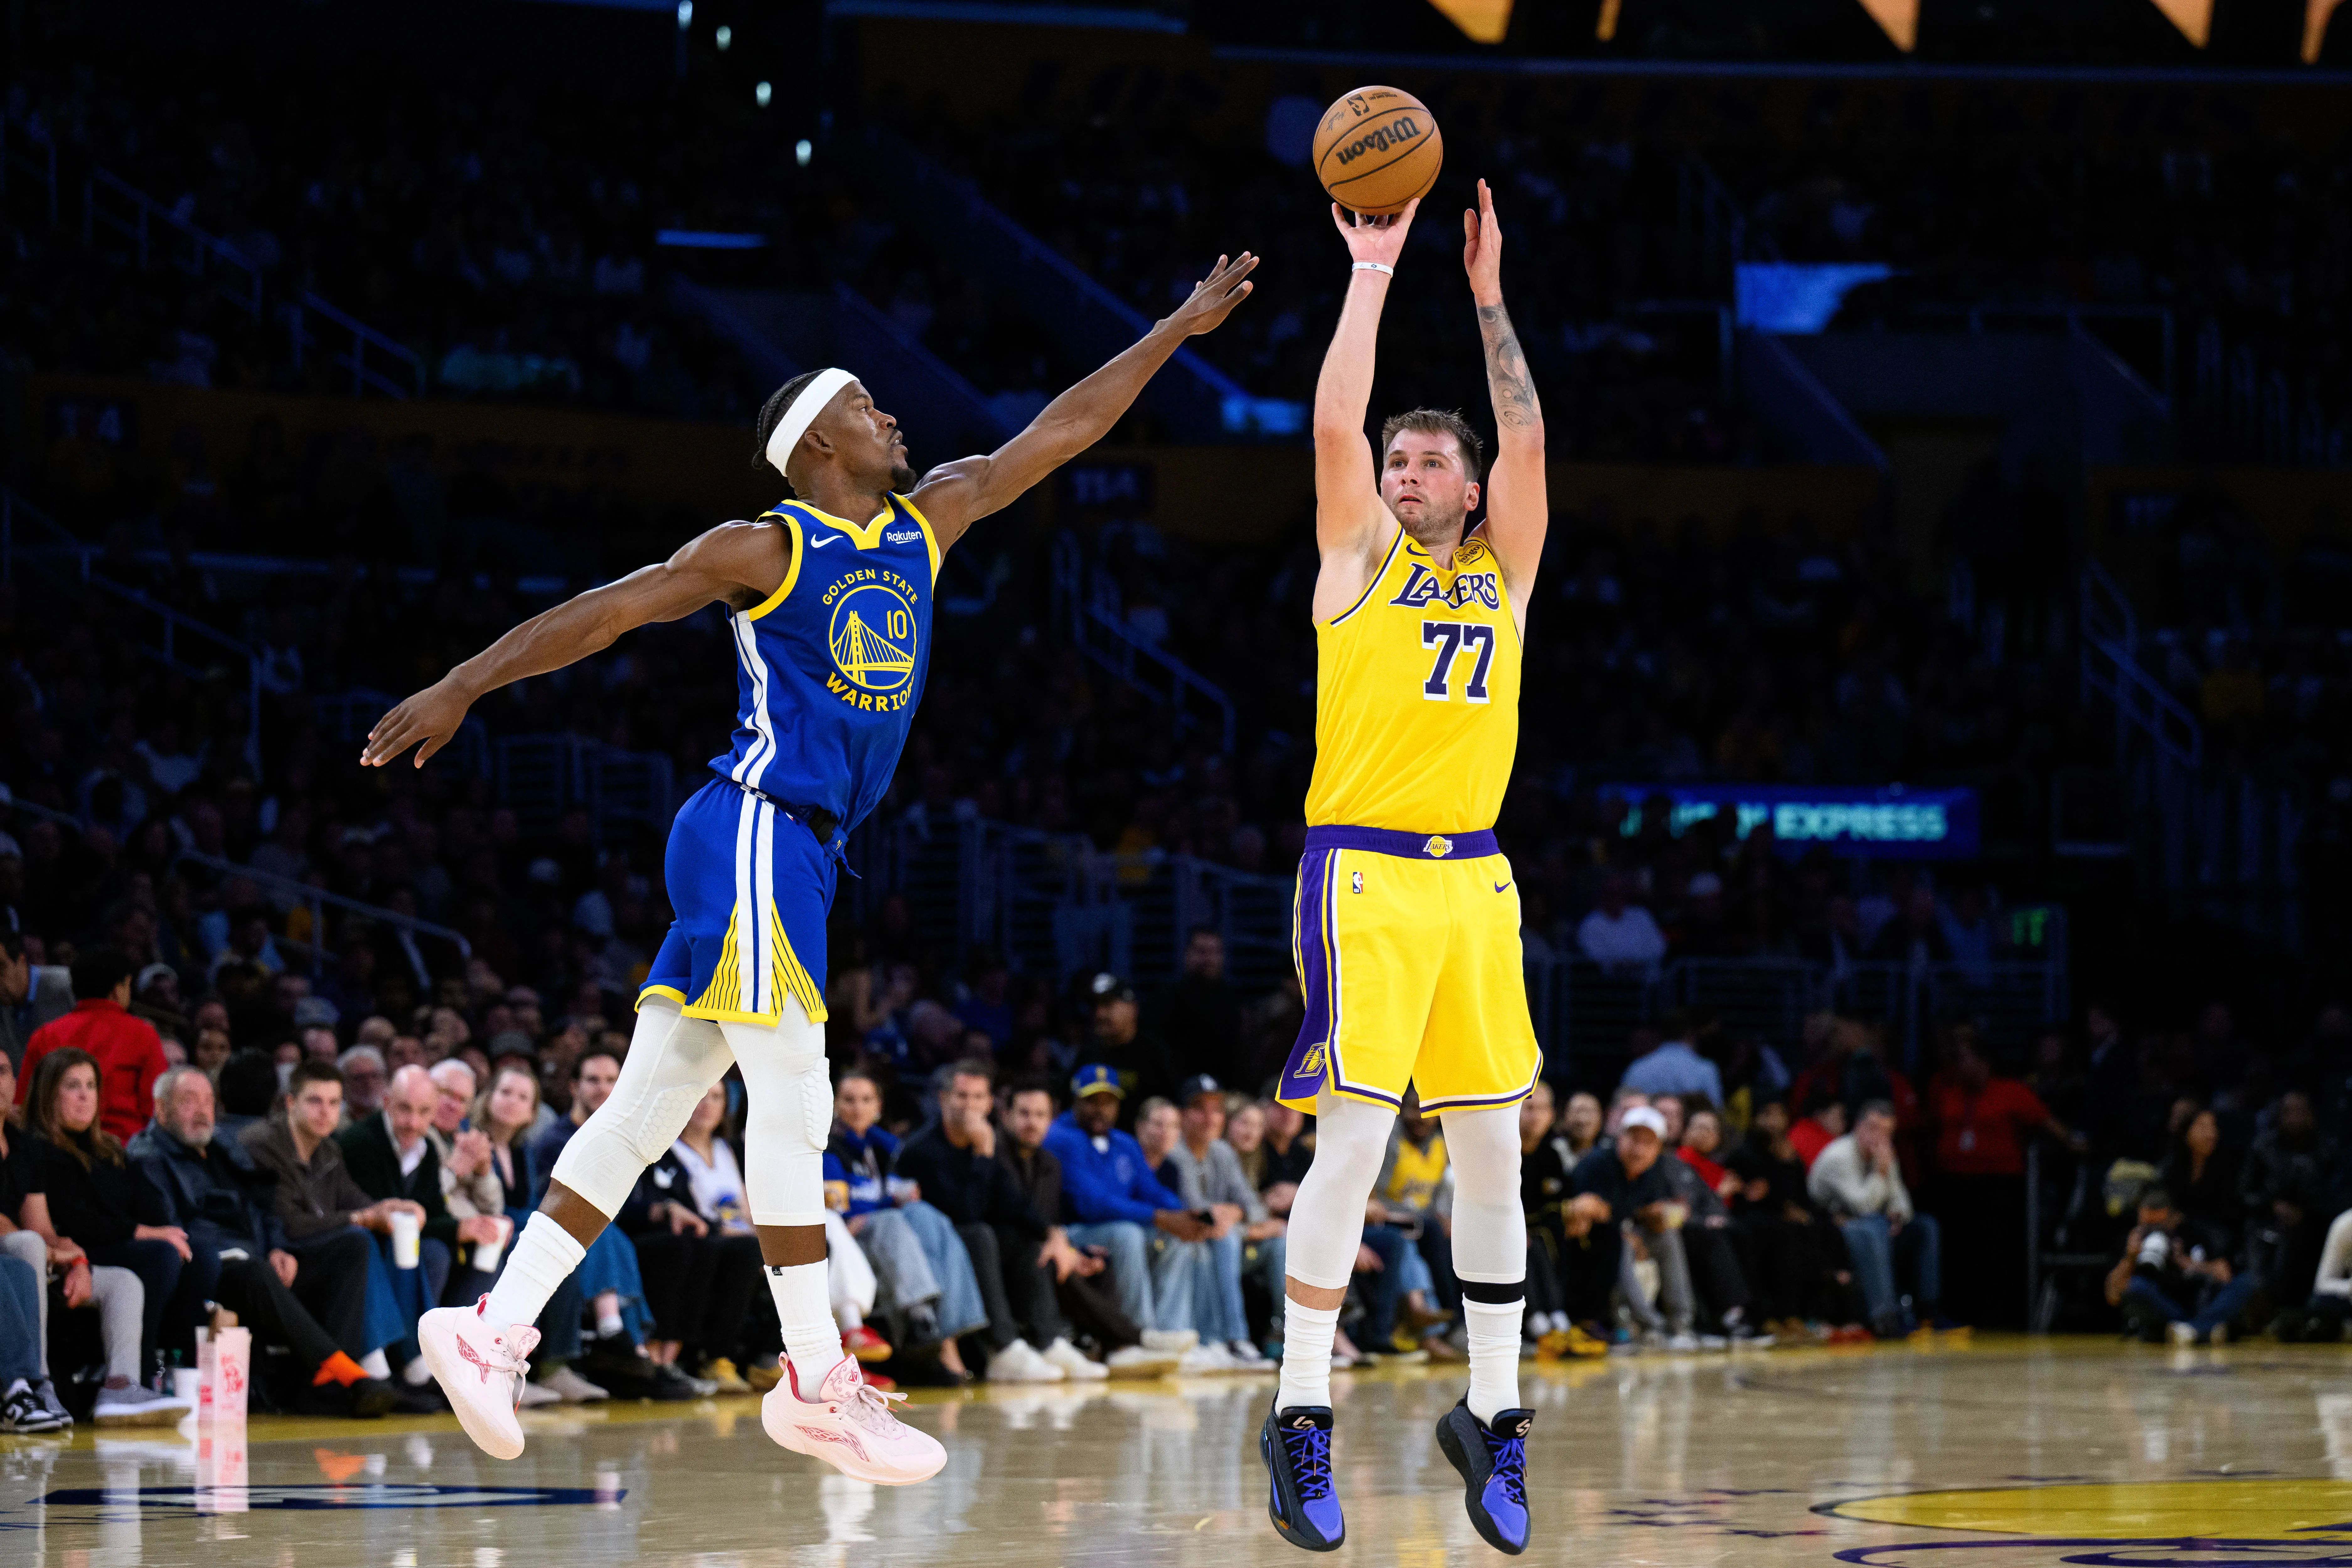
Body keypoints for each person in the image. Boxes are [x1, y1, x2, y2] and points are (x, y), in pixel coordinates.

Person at [365, 252, 1258, 1479]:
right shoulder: (767, 545)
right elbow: (608, 609)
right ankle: (813, 1377)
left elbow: (1060, 431)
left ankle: (490, 1327)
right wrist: (463, 684)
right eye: (864, 405)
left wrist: (1172, 325)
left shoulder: (926, 520)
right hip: (751, 825)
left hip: (801, 848)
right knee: (792, 1100)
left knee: (643, 1112)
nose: (891, 415)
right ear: (819, 444)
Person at [1263, 179, 1545, 1557]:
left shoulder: (1505, 571)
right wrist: (1371, 271)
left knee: (1493, 1159)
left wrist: (1486, 293)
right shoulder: (1356, 558)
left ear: (1470, 487)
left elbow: (1527, 433)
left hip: (1474, 885)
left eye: (1430, 462)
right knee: (1356, 1146)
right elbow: (1334, 424)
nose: (1405, 473)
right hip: (1363, 876)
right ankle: (1297, 1412)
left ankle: (1491, 1416)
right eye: (1398, 461)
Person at [128, 1065, 392, 1416]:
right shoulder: (148, 1156)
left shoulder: (222, 1148)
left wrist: (278, 1247)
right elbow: (175, 1228)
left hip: (258, 1256)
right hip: (210, 1267)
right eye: (189, 1101)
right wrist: (249, 1252)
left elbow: (263, 1207)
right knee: (253, 1272)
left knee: (351, 1246)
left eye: (208, 1101)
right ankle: (345, 1374)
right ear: (161, 1109)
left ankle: (323, 1387)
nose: (203, 1111)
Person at [16, 1050, 198, 1423]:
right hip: (76, 1248)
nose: (86, 1095)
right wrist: (142, 1233)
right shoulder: (37, 1150)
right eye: (73, 1086)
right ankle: (142, 1374)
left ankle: (131, 1386)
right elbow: (73, 1222)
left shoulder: (110, 1148)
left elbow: (150, 1204)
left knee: (197, 1257)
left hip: (98, 1250)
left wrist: (161, 1227)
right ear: (48, 1093)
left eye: (91, 1086)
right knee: (158, 1256)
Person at [891, 1060, 1073, 1383]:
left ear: (989, 1103)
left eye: (978, 1097)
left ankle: (1048, 1341)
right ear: (943, 1099)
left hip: (970, 1238)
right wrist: (983, 1154)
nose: (970, 1105)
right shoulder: (924, 1150)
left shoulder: (984, 1140)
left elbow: (1012, 1201)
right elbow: (966, 1213)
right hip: (932, 1247)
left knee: (1027, 1241)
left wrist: (1052, 1233)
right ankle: (1003, 1348)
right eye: (962, 1096)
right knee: (979, 1234)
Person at [527, 1051, 696, 1400]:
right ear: (574, 1086)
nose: (603, 1089)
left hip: (610, 1232)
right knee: (603, 1227)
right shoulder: (557, 1140)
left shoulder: (619, 1134)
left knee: (673, 1245)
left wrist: (660, 1209)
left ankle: (644, 1355)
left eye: (611, 1081)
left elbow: (627, 1202)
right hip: (561, 1228)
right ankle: (619, 1336)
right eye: (593, 1080)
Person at [339, 1063, 508, 1386]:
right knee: (429, 1253)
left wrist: (473, 1224)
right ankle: (407, 1360)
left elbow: (431, 1213)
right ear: (386, 1102)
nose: (413, 1122)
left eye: (423, 1112)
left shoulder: (426, 1150)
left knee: (445, 1250)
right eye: (404, 1109)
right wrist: (457, 1229)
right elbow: (384, 1219)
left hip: (400, 1245)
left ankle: (455, 1363)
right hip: (364, 1243)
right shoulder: (361, 1142)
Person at [1043, 1065, 1222, 1370]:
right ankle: (1134, 1337)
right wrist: (1161, 1217)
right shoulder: (1061, 1137)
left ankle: (1168, 1333)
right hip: (1070, 1231)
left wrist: (1184, 1214)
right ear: (1075, 1101)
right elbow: (1092, 1203)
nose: (1101, 1109)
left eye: (1108, 1102)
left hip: (1114, 1227)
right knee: (1128, 1233)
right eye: (1092, 1101)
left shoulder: (1123, 1142)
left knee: (1175, 1237)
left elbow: (1151, 1190)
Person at [824, 1069, 987, 1382]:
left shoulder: (885, 1147)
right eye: (849, 1100)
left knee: (927, 1215)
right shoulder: (828, 1147)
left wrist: (899, 1198)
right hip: (846, 1241)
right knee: (892, 1220)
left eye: (866, 1100)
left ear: (878, 1106)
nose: (857, 1108)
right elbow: (841, 1210)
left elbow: (904, 1191)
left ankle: (944, 1339)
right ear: (835, 1105)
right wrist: (888, 1202)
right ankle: (919, 1317)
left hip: (885, 1234)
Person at [623, 1083, 776, 1393]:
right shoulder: (665, 1152)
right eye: (700, 1095)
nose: (707, 1104)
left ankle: (771, 1355)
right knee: (744, 1251)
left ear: (726, 1106)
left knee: (801, 1248)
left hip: (740, 1235)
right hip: (708, 1237)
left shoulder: (730, 1149)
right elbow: (684, 1212)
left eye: (717, 1097)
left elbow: (749, 1208)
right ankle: (716, 1357)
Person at [469, 1062, 603, 1403]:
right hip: (480, 1237)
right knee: (532, 1254)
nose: (512, 1101)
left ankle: (556, 1366)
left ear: (532, 1112)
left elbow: (530, 1205)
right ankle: (506, 1371)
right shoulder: (471, 1139)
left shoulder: (522, 1150)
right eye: (505, 1092)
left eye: (522, 1097)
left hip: (511, 1235)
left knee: (562, 1254)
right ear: (488, 1097)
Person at [0, 1048, 109, 1430]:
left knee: (24, 1258)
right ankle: (26, 1385)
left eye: (3, 1071)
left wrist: (74, 1257)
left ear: (15, 1082)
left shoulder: (22, 1145)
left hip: (16, 1249)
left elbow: (41, 1225)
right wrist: (48, 1250)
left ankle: (118, 1387)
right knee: (26, 1249)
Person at [995, 1079, 1118, 1374]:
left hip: (1039, 1244)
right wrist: (1057, 1241)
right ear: (1006, 1115)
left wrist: (1072, 1250)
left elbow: (1050, 1218)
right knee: (1042, 1254)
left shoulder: (1050, 1163)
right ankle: (1123, 1338)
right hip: (1005, 1250)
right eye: (1024, 1113)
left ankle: (1106, 1347)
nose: (1032, 1123)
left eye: (1040, 1115)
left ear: (1051, 1119)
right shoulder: (994, 1153)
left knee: (1098, 1259)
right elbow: (1010, 1212)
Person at [1160, 1074, 1282, 1364]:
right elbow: (1199, 1213)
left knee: (1280, 1243)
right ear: (1182, 1115)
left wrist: (1237, 1214)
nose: (1210, 1118)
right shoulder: (1174, 1152)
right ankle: (1235, 1338)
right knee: (1226, 1238)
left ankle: (1291, 1335)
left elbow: (1253, 1205)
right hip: (1191, 1241)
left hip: (1226, 1242)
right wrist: (1239, 1222)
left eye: (1216, 1110)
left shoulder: (1223, 1151)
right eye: (1199, 1109)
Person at [1809, 1101, 1941, 1338]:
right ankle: (1885, 1317)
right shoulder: (1839, 1156)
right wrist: (1881, 1172)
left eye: (1887, 1131)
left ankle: (1928, 1313)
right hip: (1830, 1228)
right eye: (1873, 1128)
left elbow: (1901, 1200)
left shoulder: (1884, 1154)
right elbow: (1863, 1206)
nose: (1880, 1136)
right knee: (1874, 1228)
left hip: (1870, 1223)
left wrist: (1898, 1217)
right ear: (1858, 1126)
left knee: (1925, 1226)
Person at [15, 949, 170, 1143]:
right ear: (117, 989)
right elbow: (156, 1110)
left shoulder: (45, 1035)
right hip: (126, 1150)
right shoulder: (144, 1035)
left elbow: (24, 1105)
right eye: (128, 985)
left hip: (56, 1147)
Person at [2105, 1186, 2255, 1346]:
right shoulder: (2136, 1240)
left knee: (2246, 1281)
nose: (2153, 1230)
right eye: (2147, 1225)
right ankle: (2202, 1331)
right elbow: (2113, 1297)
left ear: (2176, 1217)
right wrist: (2130, 1258)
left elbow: (2225, 1275)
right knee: (2137, 1286)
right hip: (2169, 1310)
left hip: (2202, 1306)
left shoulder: (2195, 1233)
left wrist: (2185, 1262)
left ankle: (2192, 1330)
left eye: (2159, 1225)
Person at [1621, 1017, 1725, 1107]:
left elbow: (1624, 1109)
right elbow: (1715, 1111)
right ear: (1691, 1033)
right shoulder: (1706, 1069)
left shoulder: (1637, 1068)